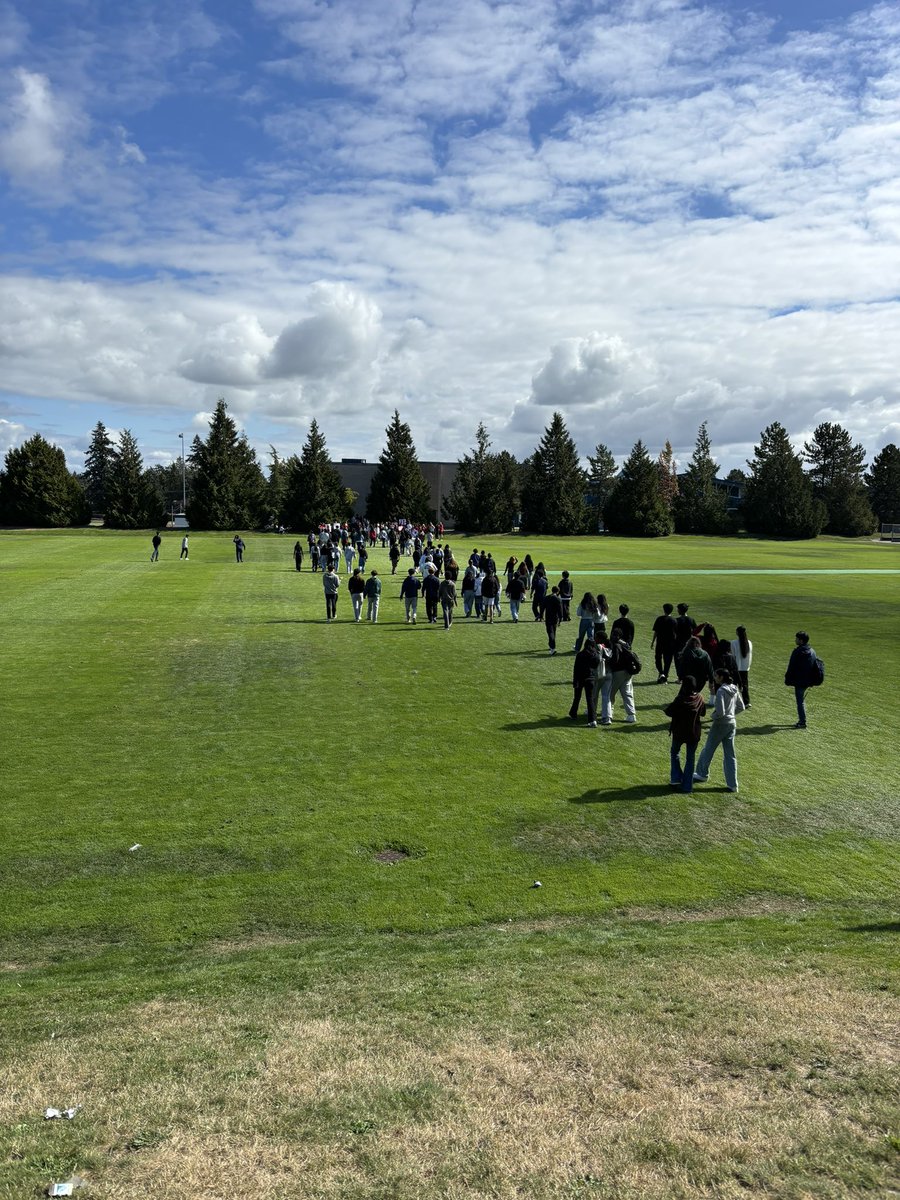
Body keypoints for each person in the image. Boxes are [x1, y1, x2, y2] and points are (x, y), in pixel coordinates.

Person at [693, 669, 745, 791]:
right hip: (732, 724)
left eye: (716, 675)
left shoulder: (721, 690)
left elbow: (720, 712)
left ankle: (701, 774)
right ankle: (733, 785)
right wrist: (731, 714)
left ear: (721, 677)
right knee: (730, 755)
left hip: (720, 724)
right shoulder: (734, 688)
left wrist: (713, 716)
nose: (714, 677)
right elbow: (741, 707)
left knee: (708, 749)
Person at [664, 676, 706, 792]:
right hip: (694, 733)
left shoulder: (680, 699)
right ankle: (687, 786)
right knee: (690, 759)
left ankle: (676, 778)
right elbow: (703, 713)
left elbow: (669, 712)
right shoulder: (700, 698)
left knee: (674, 753)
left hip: (679, 732)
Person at [785, 630, 819, 729]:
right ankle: (802, 720)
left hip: (799, 681)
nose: (795, 640)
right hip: (808, 681)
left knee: (800, 701)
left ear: (801, 640)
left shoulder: (797, 651)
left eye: (796, 638)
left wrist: (788, 679)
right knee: (801, 701)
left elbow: (791, 666)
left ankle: (802, 721)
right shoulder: (812, 651)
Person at [607, 629, 638, 723]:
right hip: (628, 672)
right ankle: (631, 715)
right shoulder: (626, 645)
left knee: (610, 693)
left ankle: (609, 713)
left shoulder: (615, 645)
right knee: (627, 693)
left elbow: (615, 660)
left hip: (618, 672)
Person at [570, 638, 600, 726]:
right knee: (590, 699)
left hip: (580, 679)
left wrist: (575, 681)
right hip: (590, 679)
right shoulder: (595, 655)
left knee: (577, 697)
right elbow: (595, 666)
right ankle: (592, 720)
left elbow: (576, 669)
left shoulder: (580, 655)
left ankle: (573, 714)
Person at [650, 602, 677, 683]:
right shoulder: (674, 620)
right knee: (668, 660)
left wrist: (653, 641)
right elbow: (676, 634)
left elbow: (656, 632)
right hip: (670, 643)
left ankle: (661, 672)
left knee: (658, 658)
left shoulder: (659, 619)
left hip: (660, 642)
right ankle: (665, 674)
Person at [731, 626, 753, 708]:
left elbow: (732, 656)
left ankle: (733, 702)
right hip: (745, 667)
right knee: (744, 685)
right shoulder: (749, 643)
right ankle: (746, 702)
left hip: (736, 667)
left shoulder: (733, 643)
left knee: (734, 685)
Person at [543, 585, 563, 655]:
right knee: (553, 631)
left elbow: (542, 607)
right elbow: (560, 610)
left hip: (548, 617)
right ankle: (551, 645)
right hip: (555, 617)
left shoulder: (547, 598)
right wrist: (560, 618)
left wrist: (541, 615)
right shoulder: (558, 599)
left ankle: (552, 646)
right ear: (558, 592)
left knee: (550, 632)